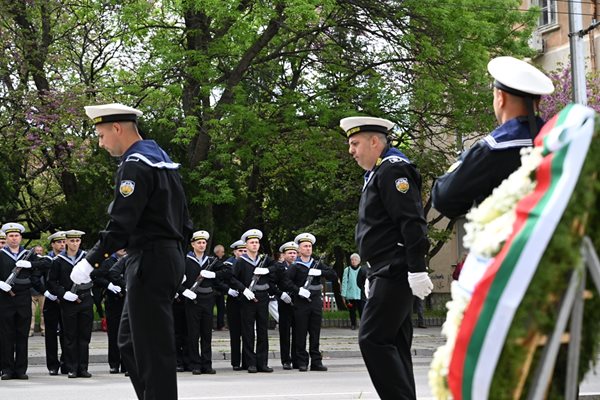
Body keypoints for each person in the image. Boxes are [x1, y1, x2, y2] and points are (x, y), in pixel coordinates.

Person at [70, 103, 193, 400]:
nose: (100, 143)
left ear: (116, 128)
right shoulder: (161, 160)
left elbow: (122, 222)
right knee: (128, 341)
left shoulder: (135, 164)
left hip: (150, 260)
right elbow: (184, 219)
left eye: (100, 135)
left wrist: (91, 260)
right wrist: (179, 260)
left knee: (153, 350)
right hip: (162, 257)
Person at [343, 115, 433, 399]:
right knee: (394, 341)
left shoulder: (393, 170)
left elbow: (411, 222)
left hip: (396, 268)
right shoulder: (378, 172)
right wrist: (371, 270)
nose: (351, 150)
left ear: (374, 141)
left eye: (355, 143)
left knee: (373, 339)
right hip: (385, 268)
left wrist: (417, 268)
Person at [432, 56, 555, 218]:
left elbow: (443, 198)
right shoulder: (556, 140)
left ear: (500, 97)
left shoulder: (492, 149)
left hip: (511, 241)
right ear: (537, 103)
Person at [284, 233, 337, 372]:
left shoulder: (316, 264)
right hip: (301, 302)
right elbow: (286, 282)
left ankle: (316, 362)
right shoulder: (295, 266)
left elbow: (333, 274)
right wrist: (298, 290)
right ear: (299, 249)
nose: (308, 248)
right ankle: (302, 361)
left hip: (315, 302)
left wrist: (319, 272)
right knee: (301, 333)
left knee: (315, 333)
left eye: (310, 246)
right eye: (305, 246)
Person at [180, 230, 229, 375]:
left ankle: (207, 364)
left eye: (204, 243)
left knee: (207, 334)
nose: (202, 245)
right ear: (193, 244)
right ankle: (195, 364)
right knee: (193, 334)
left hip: (208, 299)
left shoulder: (211, 261)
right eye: (199, 243)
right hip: (192, 300)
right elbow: (174, 278)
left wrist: (214, 274)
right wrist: (183, 290)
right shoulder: (185, 260)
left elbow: (228, 271)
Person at [48, 230, 94, 378]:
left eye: (77, 241)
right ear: (66, 242)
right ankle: (72, 367)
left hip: (85, 299)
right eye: (72, 241)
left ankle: (83, 367)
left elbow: (97, 275)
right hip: (68, 302)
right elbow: (52, 282)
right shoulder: (58, 261)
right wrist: (63, 293)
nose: (75, 244)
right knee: (70, 336)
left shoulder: (86, 258)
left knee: (84, 335)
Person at [230, 229, 275, 373]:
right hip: (248, 298)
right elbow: (231, 278)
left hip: (262, 297)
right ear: (246, 245)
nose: (255, 245)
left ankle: (262, 363)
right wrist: (243, 289)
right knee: (248, 332)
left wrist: (267, 270)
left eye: (256, 242)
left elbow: (279, 267)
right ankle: (251, 363)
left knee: (263, 331)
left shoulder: (264, 260)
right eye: (252, 242)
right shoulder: (241, 261)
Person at [0, 222, 37, 380]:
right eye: (10, 236)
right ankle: (7, 369)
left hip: (23, 298)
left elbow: (42, 268)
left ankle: (21, 369)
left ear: (21, 238)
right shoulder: (1, 254)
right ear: (6, 238)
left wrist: (30, 264)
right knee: (6, 335)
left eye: (16, 236)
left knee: (22, 335)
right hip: (4, 299)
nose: (14, 238)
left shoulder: (28, 254)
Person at [37, 231, 68, 375]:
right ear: (52, 244)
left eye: (63, 242)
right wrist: (45, 292)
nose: (62, 244)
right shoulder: (46, 260)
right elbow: (36, 278)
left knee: (67, 333)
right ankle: (52, 365)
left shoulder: (68, 258)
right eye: (59, 242)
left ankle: (66, 363)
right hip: (50, 300)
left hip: (66, 300)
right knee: (50, 335)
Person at [95, 249, 127, 374]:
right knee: (113, 333)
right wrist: (109, 285)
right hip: (113, 301)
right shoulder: (107, 261)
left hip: (128, 300)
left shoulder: (131, 259)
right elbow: (96, 276)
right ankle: (114, 363)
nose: (123, 248)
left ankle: (126, 364)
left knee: (127, 334)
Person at [273, 241, 298, 369]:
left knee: (298, 332)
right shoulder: (279, 267)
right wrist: (280, 294)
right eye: (290, 253)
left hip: (298, 302)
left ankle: (296, 358)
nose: (292, 255)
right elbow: (273, 284)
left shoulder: (299, 267)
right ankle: (286, 360)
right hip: (284, 302)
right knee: (285, 333)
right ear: (284, 254)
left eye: (294, 253)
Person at [225, 239, 247, 371]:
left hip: (246, 300)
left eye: (245, 250)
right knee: (235, 333)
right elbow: (222, 279)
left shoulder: (250, 262)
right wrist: (228, 290)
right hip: (234, 300)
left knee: (247, 333)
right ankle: (236, 361)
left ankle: (247, 360)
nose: (243, 253)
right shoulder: (229, 263)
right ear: (234, 252)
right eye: (240, 251)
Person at [341, 253, 365, 330]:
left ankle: (363, 325)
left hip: (360, 294)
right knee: (352, 311)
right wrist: (343, 295)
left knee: (362, 311)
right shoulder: (347, 270)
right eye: (352, 260)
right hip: (350, 294)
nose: (353, 261)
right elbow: (344, 283)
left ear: (359, 261)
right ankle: (353, 324)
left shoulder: (362, 270)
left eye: (355, 260)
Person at [212, 244, 227, 331]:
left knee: (221, 308)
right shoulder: (212, 261)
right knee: (209, 309)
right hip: (214, 288)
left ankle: (220, 325)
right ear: (218, 252)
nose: (224, 253)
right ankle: (209, 326)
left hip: (220, 289)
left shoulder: (222, 261)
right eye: (222, 251)